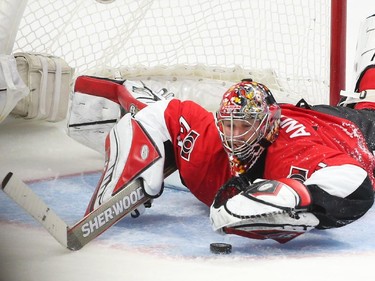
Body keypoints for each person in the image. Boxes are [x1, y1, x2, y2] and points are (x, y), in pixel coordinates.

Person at [81, 70, 375, 244]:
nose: (233, 135)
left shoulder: (294, 152)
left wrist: (292, 195)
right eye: (228, 123)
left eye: (244, 125)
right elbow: (163, 112)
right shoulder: (209, 141)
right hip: (303, 114)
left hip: (348, 131)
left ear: (266, 127)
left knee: (369, 113)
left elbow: (355, 183)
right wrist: (134, 165)